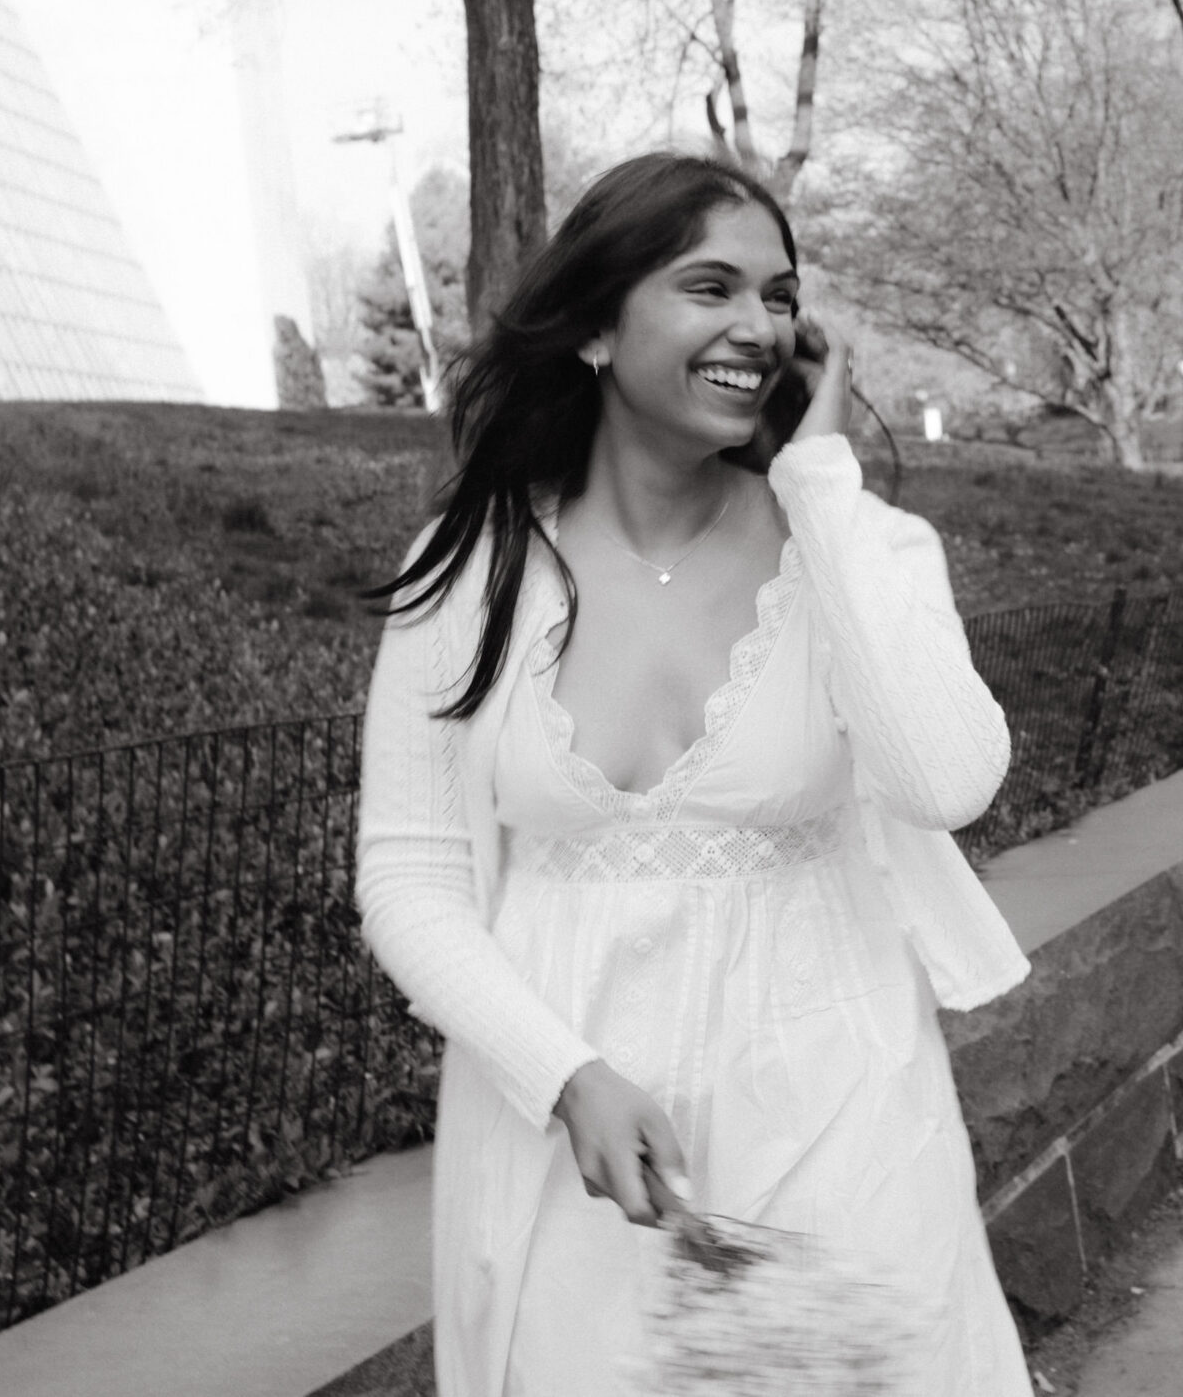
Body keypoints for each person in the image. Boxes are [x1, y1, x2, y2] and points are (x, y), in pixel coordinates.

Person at [355, 152, 1034, 1394]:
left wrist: (820, 493)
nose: (756, 327)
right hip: (573, 1136)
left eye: (778, 298)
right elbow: (409, 877)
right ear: (601, 329)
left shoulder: (862, 550)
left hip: (834, 1107)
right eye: (709, 286)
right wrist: (565, 1077)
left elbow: (945, 784)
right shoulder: (471, 572)